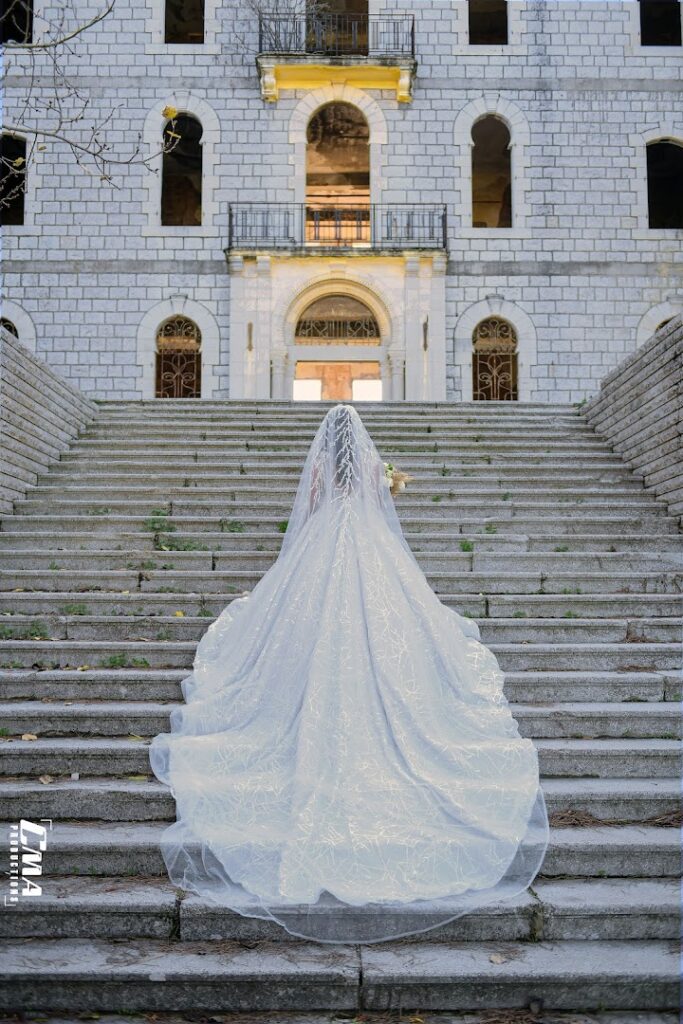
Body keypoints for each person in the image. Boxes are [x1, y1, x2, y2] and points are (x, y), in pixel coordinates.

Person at [148, 403, 549, 943]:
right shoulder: (370, 471)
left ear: (324, 447)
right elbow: (380, 509)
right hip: (369, 547)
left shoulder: (320, 474)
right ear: (360, 447)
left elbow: (311, 513)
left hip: (324, 550)